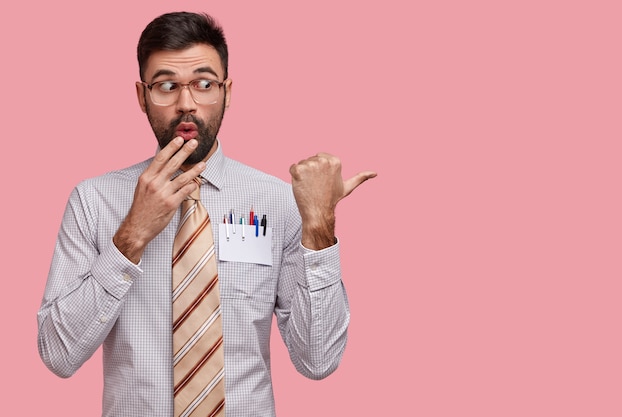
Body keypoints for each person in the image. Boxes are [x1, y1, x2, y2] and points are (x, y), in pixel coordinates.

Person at [37, 11, 377, 417]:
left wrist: (319, 226)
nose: (186, 104)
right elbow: (58, 355)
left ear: (227, 92)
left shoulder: (279, 201)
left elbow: (317, 361)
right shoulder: (94, 201)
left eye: (203, 84)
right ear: (142, 96)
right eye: (165, 86)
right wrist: (129, 237)